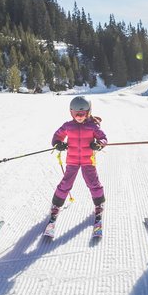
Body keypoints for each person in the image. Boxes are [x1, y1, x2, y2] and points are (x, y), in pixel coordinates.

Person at [47, 96, 108, 235]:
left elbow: (104, 138)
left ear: (88, 112)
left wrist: (98, 144)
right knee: (66, 183)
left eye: (82, 114)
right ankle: (56, 205)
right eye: (76, 114)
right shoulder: (68, 126)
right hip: (72, 161)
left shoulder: (93, 126)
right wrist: (58, 143)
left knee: (93, 182)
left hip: (88, 161)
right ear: (71, 113)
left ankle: (99, 204)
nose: (79, 117)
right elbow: (57, 136)